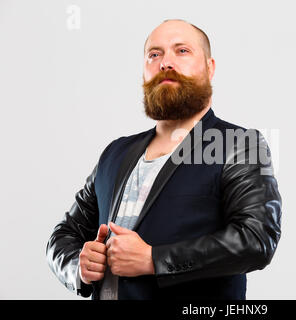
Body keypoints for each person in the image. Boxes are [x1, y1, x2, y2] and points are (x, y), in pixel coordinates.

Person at [46, 18, 282, 300]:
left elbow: (256, 240)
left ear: (210, 67)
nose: (165, 63)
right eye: (154, 54)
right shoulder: (115, 152)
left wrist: (154, 259)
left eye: (182, 51)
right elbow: (63, 235)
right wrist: (78, 268)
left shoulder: (240, 144)